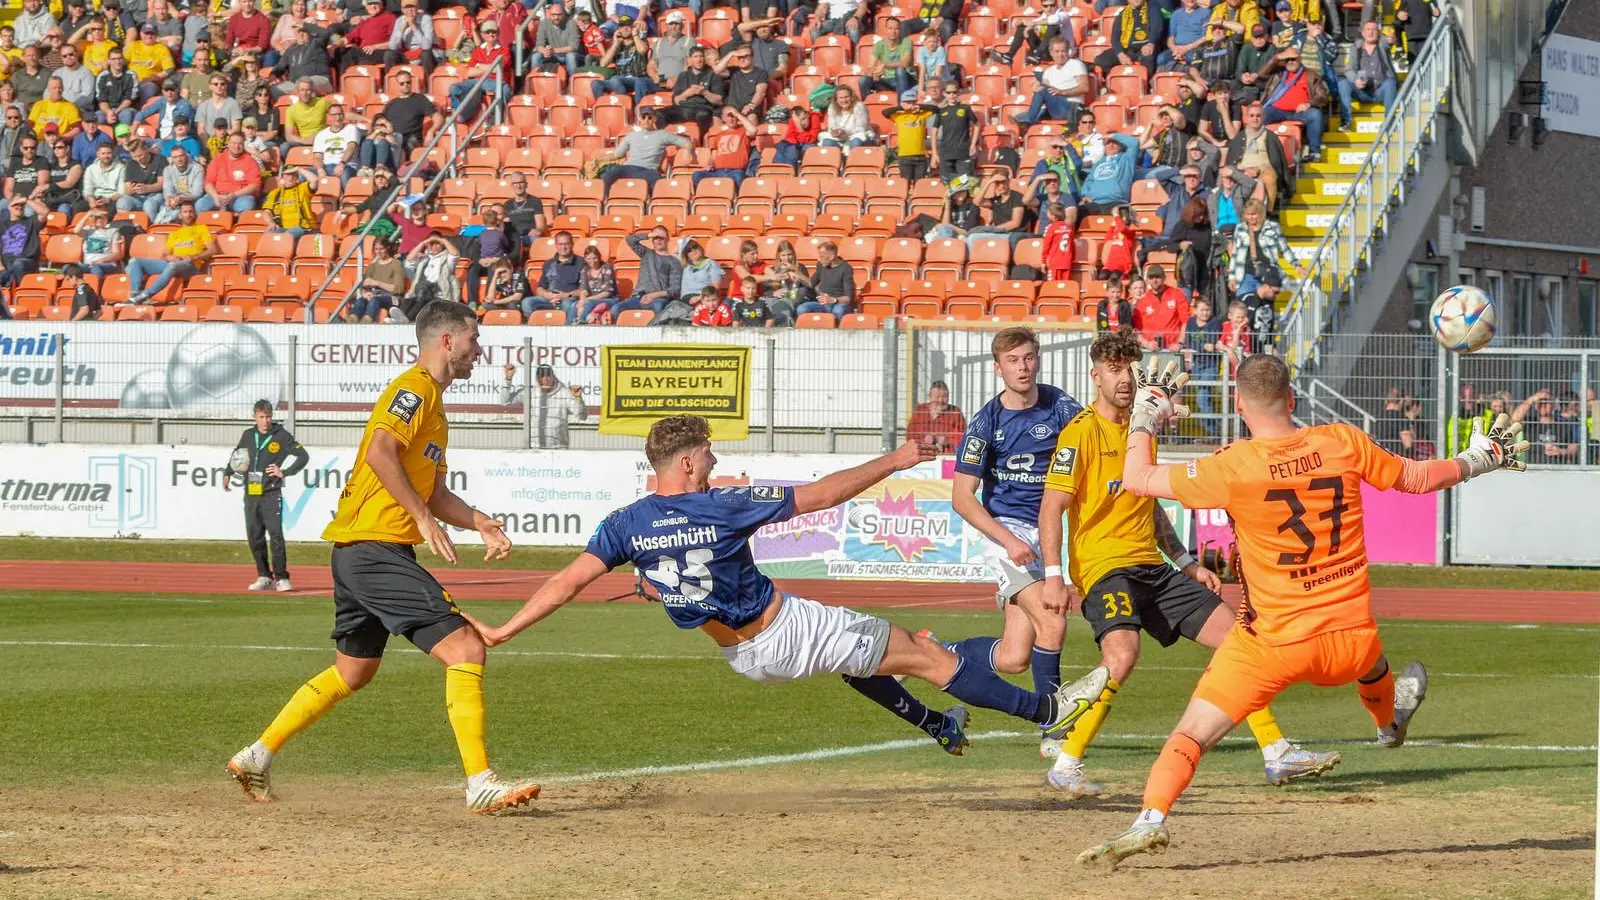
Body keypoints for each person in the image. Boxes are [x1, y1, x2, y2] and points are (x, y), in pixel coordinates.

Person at [1074, 354, 1528, 867]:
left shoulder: (1232, 465)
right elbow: (1419, 478)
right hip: (1351, 639)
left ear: (1239, 405)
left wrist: (1146, 412)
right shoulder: (1341, 442)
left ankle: (1150, 818)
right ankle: (1388, 723)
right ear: (1291, 399)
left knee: (1191, 735)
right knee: (1375, 664)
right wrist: (1480, 458)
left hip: (1273, 645)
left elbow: (1136, 478)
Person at [468, 414, 1110, 760]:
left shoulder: (624, 524)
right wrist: (896, 459)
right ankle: (1050, 713)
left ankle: (939, 726)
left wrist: (503, 628)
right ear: (687, 461)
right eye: (709, 453)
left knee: (863, 657)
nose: (716, 460)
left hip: (744, 657)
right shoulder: (722, 504)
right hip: (784, 631)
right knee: (924, 653)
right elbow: (823, 495)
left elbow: (565, 582)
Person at [227, 302, 539, 814]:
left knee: (353, 672)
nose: (479, 351)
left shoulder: (434, 405)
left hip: (361, 551)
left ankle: (256, 756)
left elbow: (435, 493)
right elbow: (379, 452)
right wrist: (421, 518)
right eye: (474, 340)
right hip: (374, 550)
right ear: (447, 341)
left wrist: (479, 520)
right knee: (465, 648)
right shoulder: (414, 389)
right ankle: (479, 782)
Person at [1039, 330, 1337, 796]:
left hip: (1152, 566)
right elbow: (1051, 508)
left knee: (1241, 644)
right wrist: (1053, 577)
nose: (1125, 380)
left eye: (1131, 370)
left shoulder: (1142, 429)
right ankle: (1067, 761)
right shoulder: (1080, 433)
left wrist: (1185, 561)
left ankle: (1277, 753)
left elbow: (1150, 502)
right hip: (1104, 567)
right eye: (1114, 371)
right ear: (1095, 376)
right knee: (1122, 656)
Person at [944, 327, 1084, 758]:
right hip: (1008, 535)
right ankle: (1054, 729)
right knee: (1053, 620)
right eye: (1013, 360)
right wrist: (1007, 541)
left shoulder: (1060, 405)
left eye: (1028, 358)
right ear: (997, 367)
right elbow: (961, 498)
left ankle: (933, 651)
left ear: (1037, 360)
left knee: (1013, 658)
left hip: (1047, 531)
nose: (1022, 367)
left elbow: (1096, 435)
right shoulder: (986, 422)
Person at [223, 399, 311, 593]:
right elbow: (238, 457)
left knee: (276, 535)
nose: (265, 421)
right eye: (261, 417)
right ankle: (264, 576)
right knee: (254, 536)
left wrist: (284, 472)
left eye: (268, 417)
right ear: (254, 416)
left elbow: (303, 456)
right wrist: (227, 472)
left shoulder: (281, 435)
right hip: (251, 492)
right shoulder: (248, 435)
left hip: (271, 493)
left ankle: (281, 577)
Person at [127, 198, 217, 303]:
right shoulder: (174, 234)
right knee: (136, 261)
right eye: (185, 212)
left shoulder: (201, 229)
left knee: (173, 266)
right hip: (175, 263)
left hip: (191, 265)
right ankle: (134, 293)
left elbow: (212, 250)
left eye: (191, 212)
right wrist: (174, 257)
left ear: (194, 214)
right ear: (180, 215)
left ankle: (144, 296)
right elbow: (164, 255)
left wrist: (194, 256)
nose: (188, 215)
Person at [500, 363, 588, 449]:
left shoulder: (564, 393)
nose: (545, 379)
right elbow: (504, 402)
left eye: (548, 375)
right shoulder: (530, 393)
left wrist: (578, 399)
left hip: (559, 448)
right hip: (534, 447)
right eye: (541, 376)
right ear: (537, 378)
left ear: (553, 376)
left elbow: (582, 416)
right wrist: (508, 379)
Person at [907, 380, 965, 452]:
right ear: (930, 397)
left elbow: (963, 436)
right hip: (923, 453)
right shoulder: (920, 410)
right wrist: (923, 439)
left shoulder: (955, 412)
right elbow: (910, 435)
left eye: (944, 397)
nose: (940, 400)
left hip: (947, 455)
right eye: (937, 397)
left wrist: (947, 441)